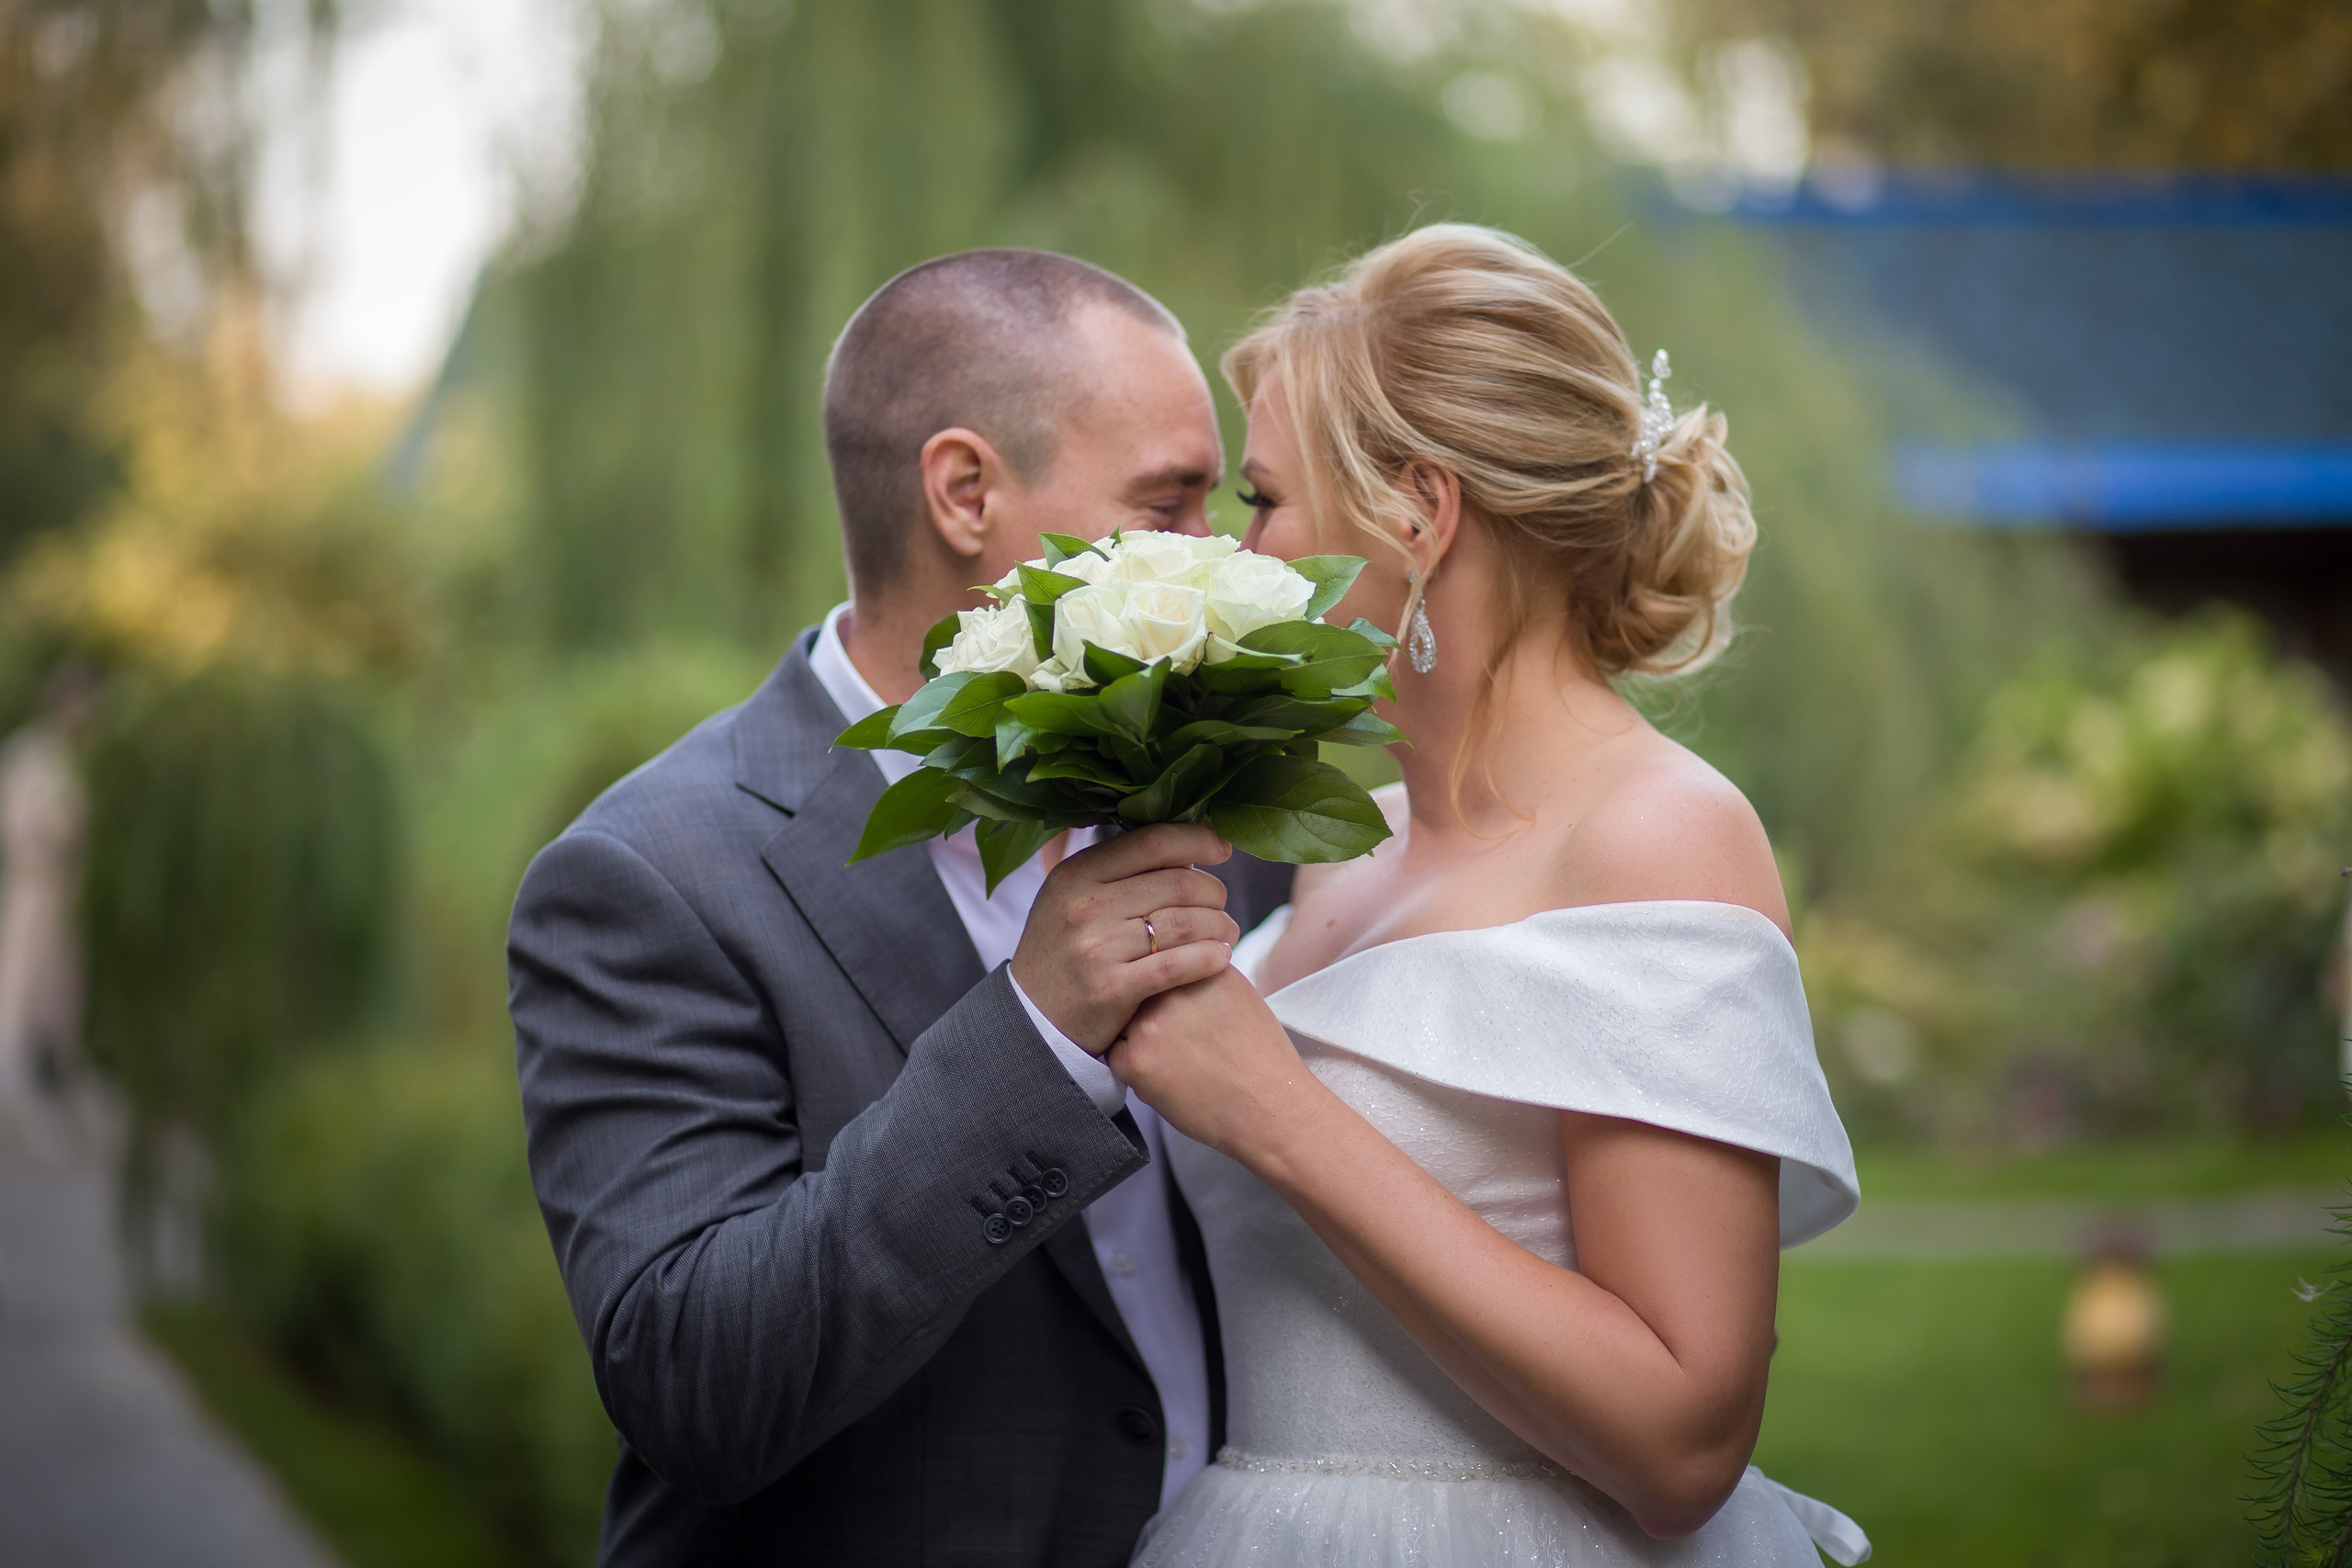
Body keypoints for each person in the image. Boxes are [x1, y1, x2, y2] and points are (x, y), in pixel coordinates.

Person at [509, 250, 1291, 1567]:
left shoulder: (1227, 812)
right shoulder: (649, 880)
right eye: (1170, 504)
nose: (1222, 554)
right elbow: (698, 1384)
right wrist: (1036, 1030)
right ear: (965, 489)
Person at [1105, 225, 1871, 1565]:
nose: (1243, 555)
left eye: (1266, 502)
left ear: (1419, 510)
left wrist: (1277, 1112)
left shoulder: (1658, 835)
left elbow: (1684, 1439)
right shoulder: (1347, 842)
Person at [0, 663, 96, 1117]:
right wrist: (52, 835)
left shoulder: (79, 756)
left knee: (61, 982)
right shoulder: (30, 752)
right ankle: (10, 1061)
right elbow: (14, 820)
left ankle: (52, 1065)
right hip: (34, 883)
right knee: (21, 968)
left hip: (67, 888)